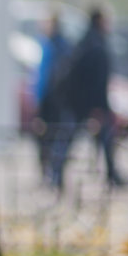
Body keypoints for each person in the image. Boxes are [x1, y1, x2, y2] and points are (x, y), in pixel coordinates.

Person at [47, 3, 127, 190]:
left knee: (70, 138)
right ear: (99, 21)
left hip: (76, 102)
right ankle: (111, 175)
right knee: (90, 138)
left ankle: (56, 175)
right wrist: (99, 107)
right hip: (85, 103)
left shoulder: (85, 42)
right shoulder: (96, 45)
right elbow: (97, 81)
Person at [34, 13, 70, 182]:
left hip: (51, 100)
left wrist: (39, 100)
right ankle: (52, 175)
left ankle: (52, 176)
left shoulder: (53, 47)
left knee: (48, 138)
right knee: (52, 138)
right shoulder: (57, 46)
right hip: (55, 100)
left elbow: (44, 77)